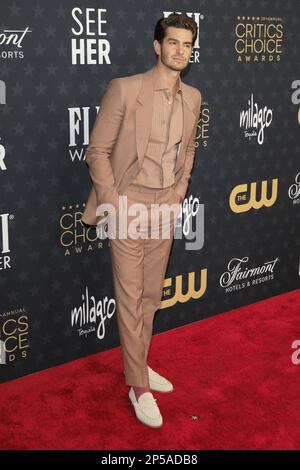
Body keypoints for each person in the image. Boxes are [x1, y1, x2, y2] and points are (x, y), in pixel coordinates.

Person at [81, 12, 202, 428]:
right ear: (157, 46)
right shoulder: (126, 90)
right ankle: (138, 385)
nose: (180, 51)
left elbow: (186, 152)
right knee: (130, 297)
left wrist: (180, 190)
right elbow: (97, 151)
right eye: (173, 43)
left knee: (150, 296)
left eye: (187, 44)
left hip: (165, 206)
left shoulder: (194, 97)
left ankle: (139, 365)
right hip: (128, 205)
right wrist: (114, 202)